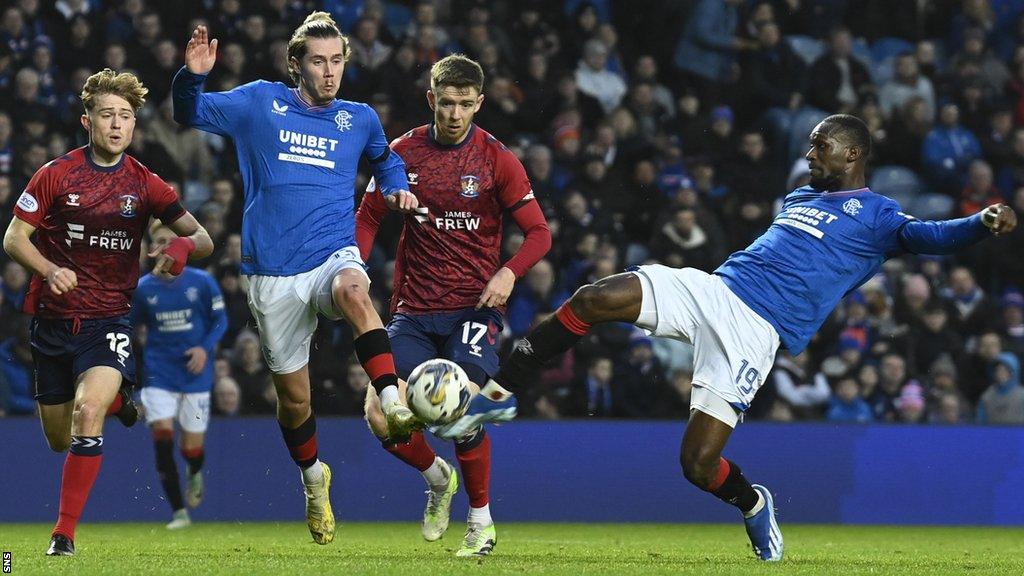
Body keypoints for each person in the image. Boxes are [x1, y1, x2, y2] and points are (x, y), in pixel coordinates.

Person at [454, 114, 1018, 561]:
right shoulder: (798, 198)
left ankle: (753, 503)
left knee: (698, 464)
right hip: (716, 290)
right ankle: (500, 392)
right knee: (594, 297)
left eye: (819, 145)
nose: (808, 152)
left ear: (852, 153)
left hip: (755, 333)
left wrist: (980, 224)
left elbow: (932, 237)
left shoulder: (877, 215)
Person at [171, 12, 418, 545]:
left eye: (337, 61)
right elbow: (188, 112)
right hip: (272, 272)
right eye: (318, 62)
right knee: (296, 402)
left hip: (333, 250)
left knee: (356, 289)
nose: (330, 72)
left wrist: (397, 186)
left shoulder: (360, 118)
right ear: (296, 65)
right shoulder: (259, 101)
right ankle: (313, 479)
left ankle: (392, 397)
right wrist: (192, 76)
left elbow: (385, 160)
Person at [3, 68, 213, 556]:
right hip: (53, 323)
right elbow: (13, 238)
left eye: (125, 116)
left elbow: (202, 238)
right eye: (107, 115)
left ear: (134, 126)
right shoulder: (55, 174)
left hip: (109, 322)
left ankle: (64, 534)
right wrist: (49, 268)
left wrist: (180, 249)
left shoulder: (145, 183)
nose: (117, 124)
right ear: (87, 120)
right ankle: (123, 402)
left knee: (86, 411)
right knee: (59, 439)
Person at [356, 54, 551, 558]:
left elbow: (539, 233)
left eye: (466, 104)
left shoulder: (496, 160)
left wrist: (509, 272)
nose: (456, 113)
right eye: (447, 102)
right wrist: (352, 269)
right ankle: (436, 478)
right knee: (379, 411)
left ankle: (481, 522)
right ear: (431, 100)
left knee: (461, 404)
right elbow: (368, 217)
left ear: (480, 103)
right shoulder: (401, 154)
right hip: (414, 312)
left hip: (474, 309)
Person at [131, 221, 228, 530]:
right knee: (162, 437)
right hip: (159, 371)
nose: (165, 247)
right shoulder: (143, 288)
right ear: (151, 249)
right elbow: (130, 329)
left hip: (195, 374)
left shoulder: (201, 282)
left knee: (191, 449)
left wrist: (204, 348)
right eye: (159, 241)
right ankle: (178, 512)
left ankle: (195, 470)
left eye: (170, 241)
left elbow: (220, 321)